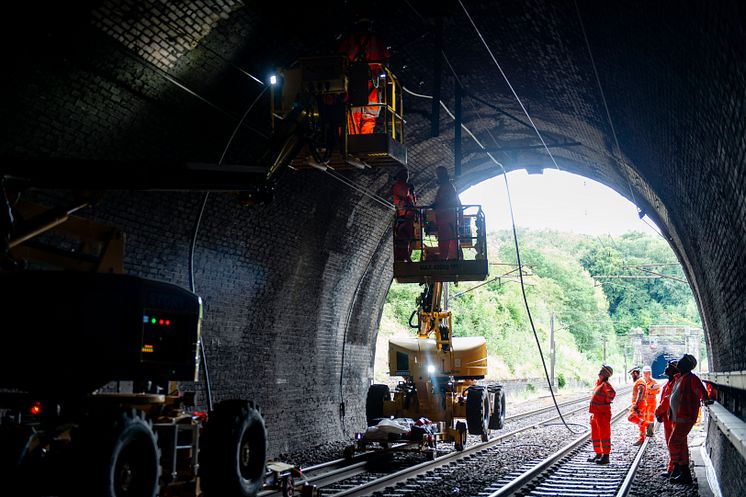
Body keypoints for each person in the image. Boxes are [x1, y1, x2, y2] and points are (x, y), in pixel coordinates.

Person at [338, 18, 390, 135]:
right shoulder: (377, 41)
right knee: (369, 117)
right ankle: (364, 143)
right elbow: (385, 59)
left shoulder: (350, 40)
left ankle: (353, 143)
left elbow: (341, 58)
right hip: (372, 83)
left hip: (354, 83)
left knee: (353, 117)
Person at [667, 353, 709, 485]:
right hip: (678, 417)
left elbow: (701, 391)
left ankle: (678, 468)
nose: (678, 363)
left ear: (687, 365)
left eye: (681, 361)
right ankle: (685, 475)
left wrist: (706, 399)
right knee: (682, 444)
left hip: (684, 418)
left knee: (673, 442)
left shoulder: (691, 378)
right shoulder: (681, 377)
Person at [655, 360, 680, 478]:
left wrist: (658, 411)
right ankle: (673, 468)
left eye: (669, 367)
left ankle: (674, 469)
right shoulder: (670, 383)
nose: (666, 368)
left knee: (672, 443)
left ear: (674, 370)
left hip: (671, 417)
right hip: (668, 416)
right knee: (671, 443)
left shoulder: (674, 383)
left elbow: (667, 400)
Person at [588, 364, 616, 465]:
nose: (599, 372)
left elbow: (612, 393)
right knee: (595, 435)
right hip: (596, 413)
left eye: (601, 371)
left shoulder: (606, 384)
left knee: (604, 434)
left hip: (603, 413)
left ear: (605, 374)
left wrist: (606, 402)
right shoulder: (599, 383)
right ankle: (599, 453)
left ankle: (606, 456)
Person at [433, 166, 462, 260]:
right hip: (447, 220)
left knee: (445, 241)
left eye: (440, 175)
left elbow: (448, 202)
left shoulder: (447, 188)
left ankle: (445, 259)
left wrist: (436, 206)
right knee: (451, 242)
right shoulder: (447, 187)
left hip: (447, 220)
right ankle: (453, 258)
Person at [390, 168, 417, 262]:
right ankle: (403, 257)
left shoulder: (405, 187)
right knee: (404, 237)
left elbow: (411, 200)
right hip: (404, 217)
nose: (407, 176)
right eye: (405, 174)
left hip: (408, 217)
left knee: (407, 237)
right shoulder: (399, 186)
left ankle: (404, 256)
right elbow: (405, 200)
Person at [628, 366, 648, 445]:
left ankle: (648, 424)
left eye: (632, 374)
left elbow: (641, 391)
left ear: (635, 373)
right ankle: (642, 439)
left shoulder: (640, 381)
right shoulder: (640, 380)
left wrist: (636, 404)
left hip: (639, 404)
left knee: (631, 417)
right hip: (641, 404)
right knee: (640, 422)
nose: (632, 376)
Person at [642, 365, 660, 437]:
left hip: (652, 403)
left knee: (650, 417)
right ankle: (645, 431)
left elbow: (658, 391)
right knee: (644, 417)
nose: (646, 374)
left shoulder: (654, 382)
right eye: (644, 373)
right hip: (644, 403)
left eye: (647, 373)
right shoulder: (642, 381)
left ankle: (650, 432)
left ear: (650, 373)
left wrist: (651, 390)